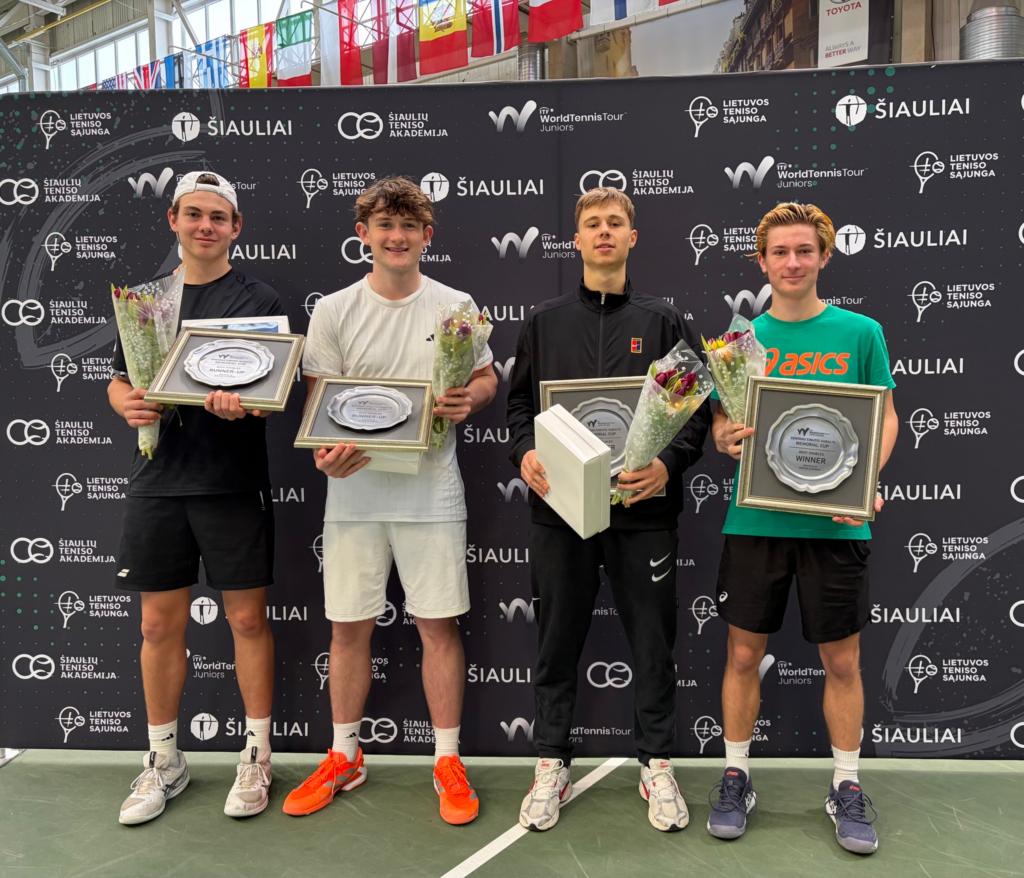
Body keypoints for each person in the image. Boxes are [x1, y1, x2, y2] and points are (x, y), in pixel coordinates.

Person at [284, 176, 497, 825]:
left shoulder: (456, 304)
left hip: (431, 489)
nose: (397, 236)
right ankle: (345, 754)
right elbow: (321, 401)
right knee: (348, 627)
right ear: (364, 235)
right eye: (385, 225)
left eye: (409, 226)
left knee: (438, 627)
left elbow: (486, 376)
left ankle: (447, 760)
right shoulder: (334, 310)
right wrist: (325, 455)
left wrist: (470, 398)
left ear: (427, 235)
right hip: (354, 491)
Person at [507, 187, 711, 833]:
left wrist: (668, 464)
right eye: (592, 223)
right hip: (561, 511)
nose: (603, 232)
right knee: (556, 641)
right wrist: (523, 454)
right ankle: (551, 762)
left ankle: (656, 763)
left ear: (632, 237)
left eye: (615, 223)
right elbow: (519, 409)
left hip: (643, 513)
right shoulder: (543, 322)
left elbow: (696, 412)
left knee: (653, 644)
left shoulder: (665, 321)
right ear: (576, 240)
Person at [705, 203, 898, 854]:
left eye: (804, 251)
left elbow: (886, 417)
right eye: (780, 252)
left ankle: (846, 784)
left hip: (835, 527)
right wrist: (724, 435)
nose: (793, 262)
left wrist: (864, 482)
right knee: (741, 656)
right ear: (761, 261)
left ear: (824, 257)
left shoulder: (861, 333)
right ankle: (736, 775)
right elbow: (721, 423)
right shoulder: (738, 342)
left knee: (842, 662)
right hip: (755, 520)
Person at [109, 171, 285, 824]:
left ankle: (257, 755)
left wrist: (249, 406)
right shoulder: (145, 300)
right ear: (173, 220)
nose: (205, 225)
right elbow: (119, 379)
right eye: (193, 214)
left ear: (235, 227)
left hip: (231, 483)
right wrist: (125, 402)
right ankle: (163, 760)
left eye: (217, 216)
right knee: (157, 625)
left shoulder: (258, 298)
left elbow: (271, 394)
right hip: (158, 482)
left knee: (247, 621)